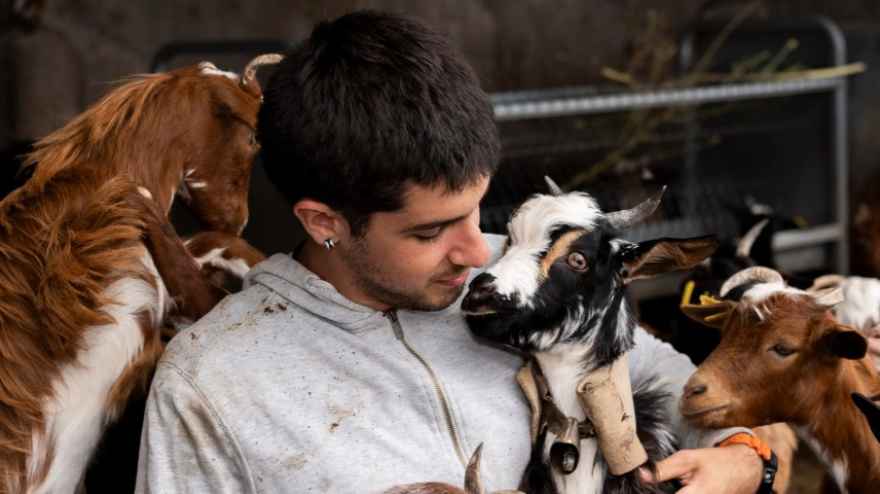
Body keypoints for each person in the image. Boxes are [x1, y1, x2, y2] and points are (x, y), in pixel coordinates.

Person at [135, 10, 765, 494]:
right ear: (325, 221)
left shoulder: (525, 282)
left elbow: (682, 389)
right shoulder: (214, 385)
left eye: (478, 208)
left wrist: (744, 456)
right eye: (429, 231)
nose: (476, 250)